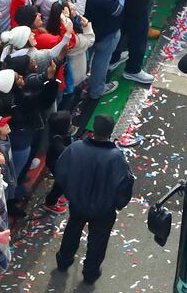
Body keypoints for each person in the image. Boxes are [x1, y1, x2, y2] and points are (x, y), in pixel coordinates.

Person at [53, 115, 134, 284]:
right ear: (110, 132)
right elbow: (124, 186)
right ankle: (90, 272)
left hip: (78, 203)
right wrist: (117, 205)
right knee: (98, 242)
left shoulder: (75, 148)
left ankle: (63, 261)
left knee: (72, 231)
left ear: (93, 130)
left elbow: (60, 173)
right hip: (103, 210)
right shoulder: (116, 157)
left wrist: (70, 193)